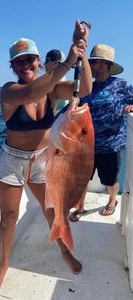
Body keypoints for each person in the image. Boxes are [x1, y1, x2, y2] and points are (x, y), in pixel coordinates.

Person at [0, 20, 92, 289]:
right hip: (12, 161)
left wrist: (81, 52)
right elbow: (31, 92)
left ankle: (64, 251)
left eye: (29, 60)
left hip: (43, 160)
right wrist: (67, 62)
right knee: (9, 216)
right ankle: (4, 264)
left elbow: (84, 90)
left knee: (52, 210)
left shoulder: (52, 91)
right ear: (12, 67)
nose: (25, 65)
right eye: (19, 62)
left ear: (38, 61)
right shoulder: (9, 91)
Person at [69, 44, 133, 222]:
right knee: (81, 179)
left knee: (110, 179)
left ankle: (112, 201)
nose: (89, 66)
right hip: (85, 146)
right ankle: (80, 207)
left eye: (93, 62)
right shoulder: (85, 87)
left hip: (110, 145)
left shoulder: (120, 85)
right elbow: (71, 107)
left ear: (105, 63)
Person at [44, 49, 69, 115]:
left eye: (47, 60)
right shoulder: (62, 80)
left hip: (56, 123)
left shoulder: (59, 82)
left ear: (56, 63)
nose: (44, 64)